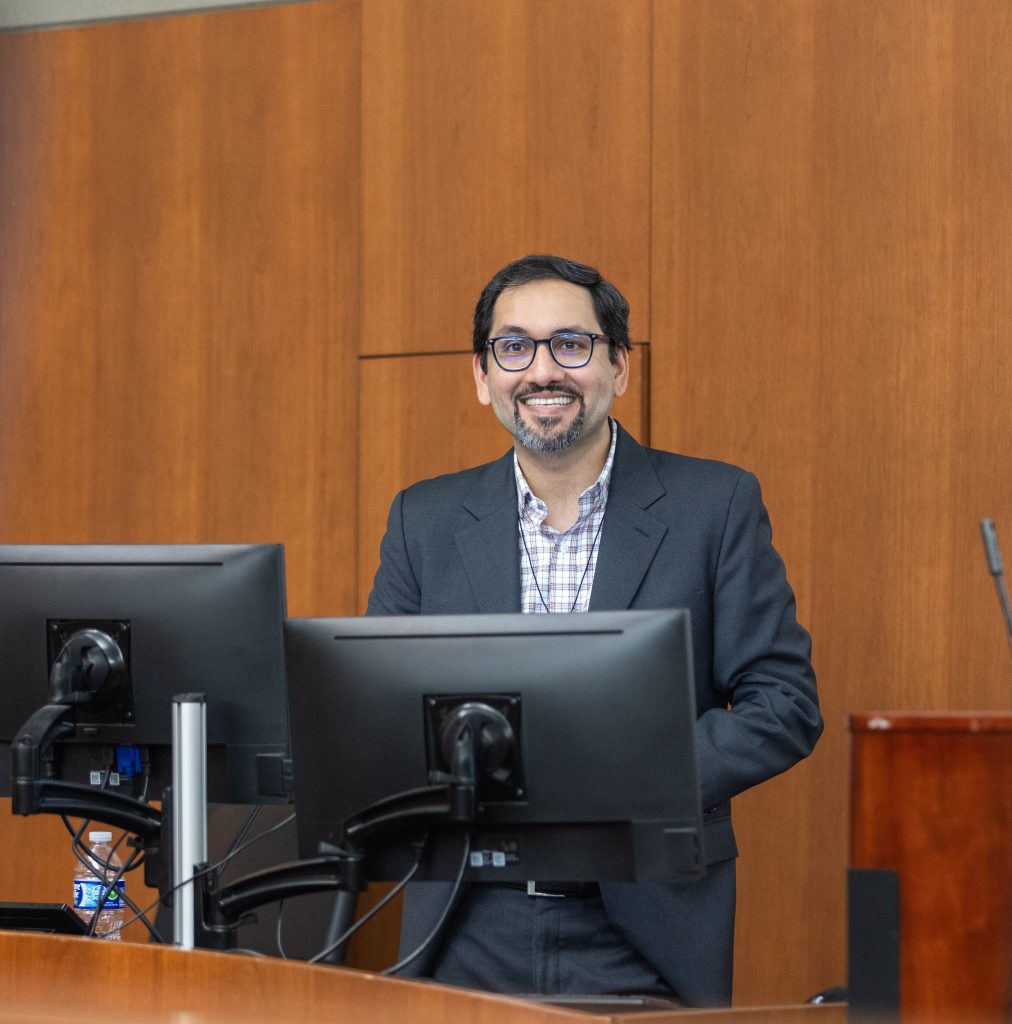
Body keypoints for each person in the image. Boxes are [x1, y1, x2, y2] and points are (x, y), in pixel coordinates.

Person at [366, 253, 822, 1006]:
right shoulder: (424, 520)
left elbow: (784, 707)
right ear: (483, 377)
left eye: (571, 344)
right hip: (465, 926)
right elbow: (383, 714)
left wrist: (619, 781)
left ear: (619, 366)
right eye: (514, 347)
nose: (542, 370)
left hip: (648, 929)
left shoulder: (716, 507)